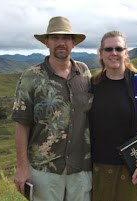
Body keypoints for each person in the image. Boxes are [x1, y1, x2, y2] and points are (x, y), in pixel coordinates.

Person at [12, 16, 93, 201]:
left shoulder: (84, 72)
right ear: (46, 42)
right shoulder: (30, 77)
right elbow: (21, 126)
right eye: (55, 38)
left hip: (81, 169)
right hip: (44, 171)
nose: (60, 43)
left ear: (73, 43)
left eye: (65, 38)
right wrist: (22, 167)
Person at [89, 31, 137, 201]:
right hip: (99, 168)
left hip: (132, 169)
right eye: (108, 49)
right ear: (101, 53)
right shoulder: (93, 85)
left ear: (126, 53)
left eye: (119, 49)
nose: (114, 53)